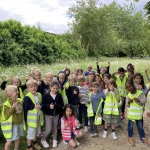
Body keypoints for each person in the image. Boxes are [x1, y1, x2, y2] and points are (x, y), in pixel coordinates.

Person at [126, 80, 150, 146]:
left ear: (133, 86)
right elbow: (126, 105)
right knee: (130, 127)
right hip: (131, 115)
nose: (129, 88)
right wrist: (129, 102)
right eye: (127, 87)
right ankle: (130, 137)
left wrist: (139, 100)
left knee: (140, 127)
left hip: (139, 115)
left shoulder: (140, 93)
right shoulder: (128, 95)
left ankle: (142, 138)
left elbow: (144, 101)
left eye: (130, 86)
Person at [41, 81, 64, 148]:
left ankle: (54, 140)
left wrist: (55, 106)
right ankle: (43, 139)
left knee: (55, 127)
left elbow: (62, 104)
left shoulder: (59, 95)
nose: (55, 90)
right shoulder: (46, 95)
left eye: (57, 88)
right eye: (54, 88)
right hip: (48, 115)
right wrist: (49, 106)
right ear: (50, 87)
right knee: (48, 129)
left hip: (56, 114)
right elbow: (43, 104)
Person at [1, 85, 24, 150]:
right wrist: (13, 107)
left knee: (18, 138)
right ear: (9, 93)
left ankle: (16, 148)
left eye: (17, 90)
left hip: (19, 123)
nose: (17, 92)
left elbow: (21, 112)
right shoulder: (7, 103)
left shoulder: (19, 100)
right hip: (12, 125)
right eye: (15, 91)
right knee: (9, 142)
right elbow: (6, 116)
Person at [23, 79, 44, 150]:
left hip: (37, 118)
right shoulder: (27, 97)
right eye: (31, 87)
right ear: (28, 88)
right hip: (31, 119)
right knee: (31, 133)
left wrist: (41, 106)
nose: (33, 88)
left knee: (36, 131)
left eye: (35, 86)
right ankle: (28, 146)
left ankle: (34, 142)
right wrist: (25, 120)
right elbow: (25, 108)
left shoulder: (39, 95)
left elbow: (42, 103)